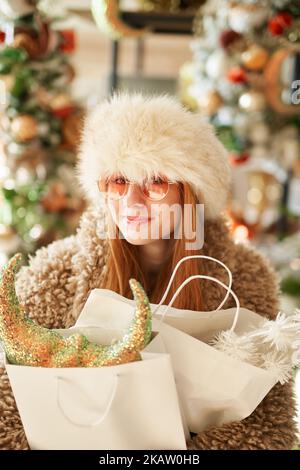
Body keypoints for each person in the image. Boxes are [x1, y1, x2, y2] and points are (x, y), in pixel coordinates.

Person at [0, 93, 298, 450]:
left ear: (191, 193)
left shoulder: (246, 274)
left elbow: (270, 424)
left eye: (155, 182)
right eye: (118, 182)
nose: (131, 203)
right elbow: (8, 409)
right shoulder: (54, 272)